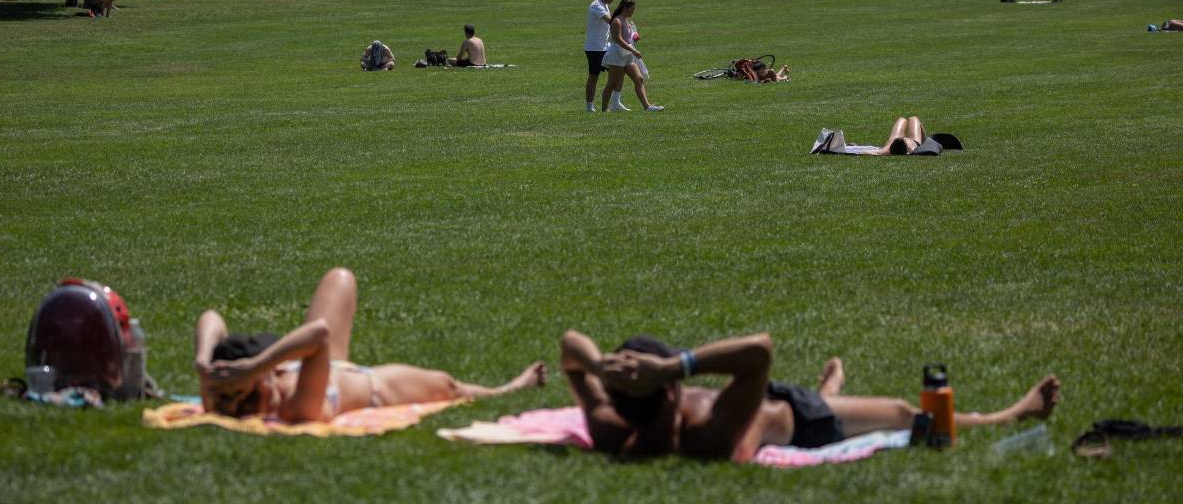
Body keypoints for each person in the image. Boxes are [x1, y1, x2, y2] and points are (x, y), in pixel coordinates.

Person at [560, 329, 1060, 461]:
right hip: (801, 420)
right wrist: (673, 364)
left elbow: (568, 346)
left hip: (761, 397)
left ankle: (829, 385)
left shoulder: (610, 420)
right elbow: (758, 350)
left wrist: (602, 365)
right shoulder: (707, 435)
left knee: (798, 393)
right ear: (670, 392)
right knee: (907, 415)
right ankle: (1011, 415)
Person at [193, 267, 546, 422]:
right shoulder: (295, 409)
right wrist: (257, 368)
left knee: (340, 278)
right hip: (369, 385)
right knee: (447, 386)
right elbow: (318, 335)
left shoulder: (216, 389)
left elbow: (211, 317)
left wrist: (203, 362)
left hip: (325, 366)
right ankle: (508, 390)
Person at [599, 0, 662, 112]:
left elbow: (627, 37)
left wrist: (634, 37)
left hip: (626, 54)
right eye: (632, 9)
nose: (633, 11)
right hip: (617, 54)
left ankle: (647, 107)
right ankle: (604, 110)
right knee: (613, 82)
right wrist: (634, 51)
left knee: (639, 79)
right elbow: (618, 39)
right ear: (625, 8)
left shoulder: (626, 20)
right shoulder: (616, 21)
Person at [584, 0, 618, 112]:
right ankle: (589, 107)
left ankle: (616, 103)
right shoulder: (596, 6)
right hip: (594, 48)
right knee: (594, 77)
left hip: (605, 46)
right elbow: (611, 21)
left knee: (618, 71)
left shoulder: (605, 4)